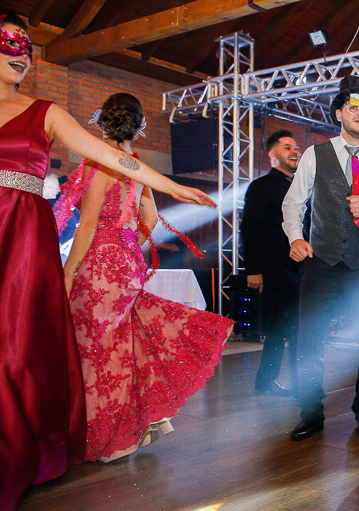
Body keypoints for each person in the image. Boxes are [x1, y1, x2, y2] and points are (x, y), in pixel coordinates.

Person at [0, 11, 214, 511]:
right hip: (114, 259)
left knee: (18, 344)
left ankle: (26, 447)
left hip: (24, 236)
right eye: (10, 43)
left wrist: (169, 185)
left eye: (27, 47)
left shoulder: (46, 111)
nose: (22, 54)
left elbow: (109, 158)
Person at [61, 93, 235, 462]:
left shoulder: (98, 164)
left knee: (96, 352)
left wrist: (69, 270)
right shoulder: (136, 168)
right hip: (126, 262)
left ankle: (103, 437)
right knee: (124, 346)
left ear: (100, 122)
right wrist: (127, 246)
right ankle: (132, 429)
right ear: (138, 128)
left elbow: (88, 224)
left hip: (99, 263)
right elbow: (151, 220)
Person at [283, 75, 359, 441]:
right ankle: (311, 413)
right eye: (354, 106)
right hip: (321, 261)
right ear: (339, 113)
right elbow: (294, 202)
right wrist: (295, 237)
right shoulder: (314, 154)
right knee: (309, 341)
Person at [242, 130, 302, 395]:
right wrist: (253, 270)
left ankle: (265, 381)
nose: (294, 151)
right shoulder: (261, 186)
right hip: (275, 268)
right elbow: (250, 230)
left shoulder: (299, 186)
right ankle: (304, 385)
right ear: (273, 155)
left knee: (279, 326)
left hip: (298, 267)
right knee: (301, 323)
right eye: (288, 147)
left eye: (296, 147)